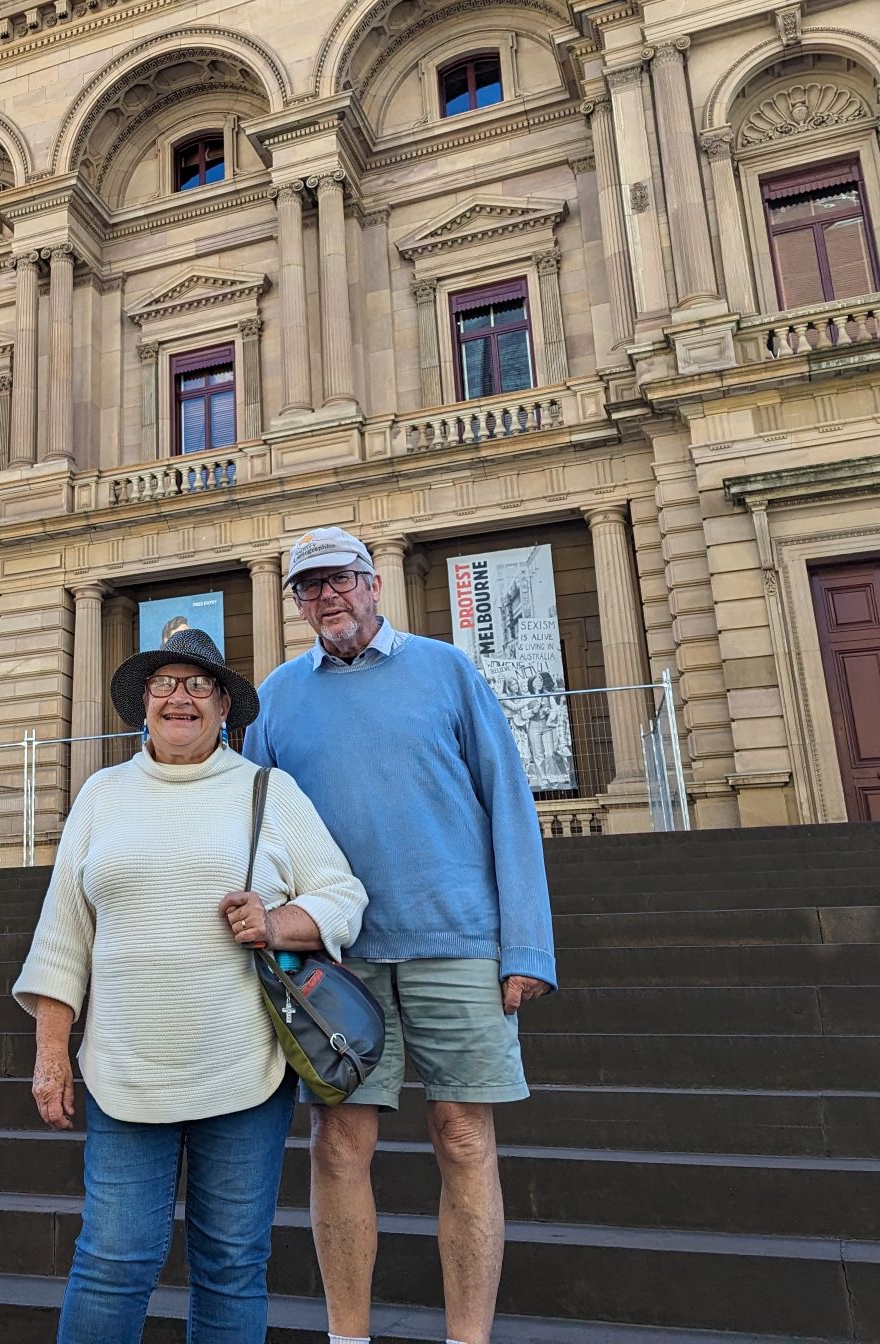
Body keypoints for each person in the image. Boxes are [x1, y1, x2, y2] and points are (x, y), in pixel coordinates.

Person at [240, 528, 556, 1344]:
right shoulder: (275, 696)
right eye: (309, 589)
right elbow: (251, 830)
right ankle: (349, 1338)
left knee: (462, 1133)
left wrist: (526, 947)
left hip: (459, 939)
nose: (327, 598)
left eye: (340, 580)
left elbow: (509, 805)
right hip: (334, 955)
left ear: (374, 583)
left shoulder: (448, 669)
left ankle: (469, 1340)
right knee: (339, 1143)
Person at [13, 626, 368, 1344]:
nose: (180, 697)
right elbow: (63, 932)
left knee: (232, 1265)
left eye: (198, 684)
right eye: (164, 684)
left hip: (244, 1068)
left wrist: (277, 920)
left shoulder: (269, 791)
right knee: (112, 1260)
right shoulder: (103, 794)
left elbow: (343, 896)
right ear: (144, 703)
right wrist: (52, 1050)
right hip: (124, 1071)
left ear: (224, 705)